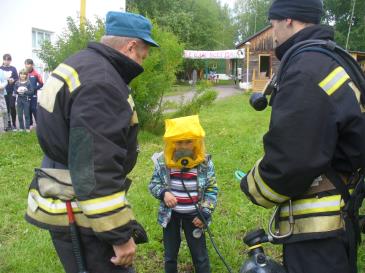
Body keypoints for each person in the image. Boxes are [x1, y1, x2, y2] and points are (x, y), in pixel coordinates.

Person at [25, 11, 159, 273]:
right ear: (131, 46)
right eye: (145, 51)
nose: (145, 59)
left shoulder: (80, 64)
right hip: (83, 215)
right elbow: (95, 167)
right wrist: (119, 236)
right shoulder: (103, 83)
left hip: (65, 194)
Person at [239, 1, 365, 273]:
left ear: (288, 20)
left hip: (318, 235)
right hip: (338, 220)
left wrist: (252, 187)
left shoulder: (306, 68)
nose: (272, 34)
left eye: (272, 25)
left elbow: (292, 160)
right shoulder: (329, 59)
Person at [149, 115, 218, 273]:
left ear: (196, 141)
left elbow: (211, 189)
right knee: (170, 254)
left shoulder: (204, 164)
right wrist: (164, 193)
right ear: (172, 143)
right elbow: (153, 184)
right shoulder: (163, 162)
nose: (184, 146)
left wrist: (205, 212)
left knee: (200, 255)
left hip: (195, 216)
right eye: (179, 142)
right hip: (171, 216)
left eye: (189, 141)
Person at [1, 54, 18, 131]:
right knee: (6, 108)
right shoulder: (0, 68)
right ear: (3, 60)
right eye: (5, 59)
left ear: (10, 60)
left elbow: (17, 78)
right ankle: (8, 124)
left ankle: (14, 124)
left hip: (12, 90)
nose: (7, 61)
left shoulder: (13, 68)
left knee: (12, 106)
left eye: (8, 60)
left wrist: (13, 80)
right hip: (3, 92)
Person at [25, 58, 43, 129]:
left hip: (34, 95)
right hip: (25, 95)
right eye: (26, 64)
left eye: (28, 64)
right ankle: (30, 124)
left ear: (32, 65)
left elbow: (41, 84)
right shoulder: (24, 73)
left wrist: (34, 88)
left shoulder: (36, 74)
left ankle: (39, 123)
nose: (27, 66)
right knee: (28, 108)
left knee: (34, 108)